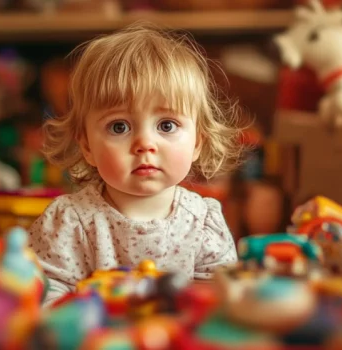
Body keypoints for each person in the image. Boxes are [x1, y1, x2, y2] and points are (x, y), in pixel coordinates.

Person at [28, 23, 246, 306]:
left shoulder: (204, 222)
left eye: (166, 125)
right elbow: (45, 298)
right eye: (119, 127)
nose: (145, 143)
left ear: (197, 143)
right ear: (86, 146)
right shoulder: (70, 222)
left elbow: (218, 304)